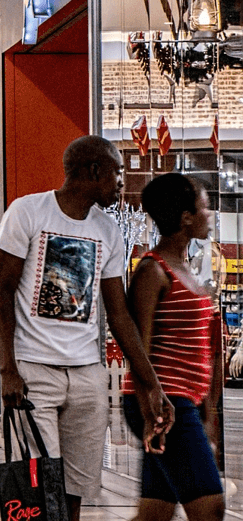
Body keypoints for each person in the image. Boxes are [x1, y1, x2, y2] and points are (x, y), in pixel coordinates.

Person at [0, 135, 174, 521]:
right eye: (117, 171)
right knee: (38, 491)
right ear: (94, 171)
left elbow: (119, 314)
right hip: (33, 372)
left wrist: (151, 382)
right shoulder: (27, 212)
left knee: (75, 492)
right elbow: (3, 294)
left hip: (87, 376)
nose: (122, 181)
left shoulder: (107, 230)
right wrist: (8, 369)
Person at [121, 174, 223, 521]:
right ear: (185, 217)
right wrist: (153, 411)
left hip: (182, 403)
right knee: (210, 506)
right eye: (205, 206)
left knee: (155, 513)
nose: (210, 214)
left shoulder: (187, 271)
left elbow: (202, 353)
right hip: (164, 404)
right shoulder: (153, 270)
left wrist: (208, 414)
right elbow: (139, 349)